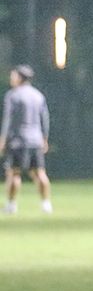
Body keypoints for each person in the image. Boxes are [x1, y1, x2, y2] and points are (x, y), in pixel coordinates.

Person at [1, 65, 52, 214]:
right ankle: (46, 204)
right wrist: (45, 138)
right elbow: (45, 119)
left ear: (20, 78)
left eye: (13, 76)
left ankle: (11, 205)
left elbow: (7, 120)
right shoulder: (38, 95)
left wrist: (3, 139)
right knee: (39, 173)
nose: (12, 78)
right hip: (35, 140)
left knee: (14, 173)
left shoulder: (13, 95)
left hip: (17, 141)